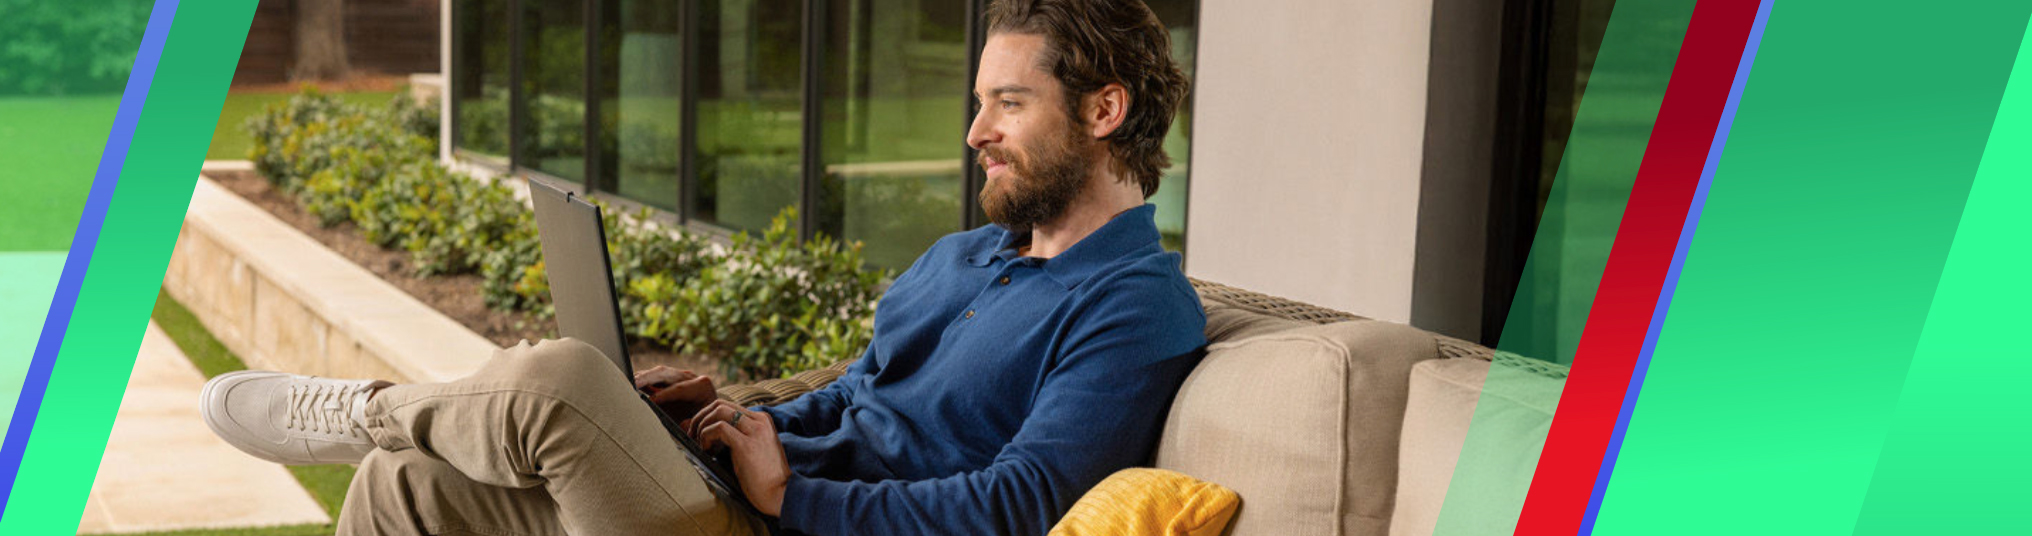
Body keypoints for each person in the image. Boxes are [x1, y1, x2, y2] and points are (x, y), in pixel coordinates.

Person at [199, 1, 1202, 534]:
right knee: (406, 481)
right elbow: (859, 394)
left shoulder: (1134, 307)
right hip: (730, 499)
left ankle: (360, 403)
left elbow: (1016, 507)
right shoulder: (965, 254)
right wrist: (729, 416)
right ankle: (388, 427)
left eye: (1007, 104)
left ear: (1103, 112)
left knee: (553, 378)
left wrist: (791, 498)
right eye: (977, 100)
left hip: (780, 529)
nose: (975, 131)